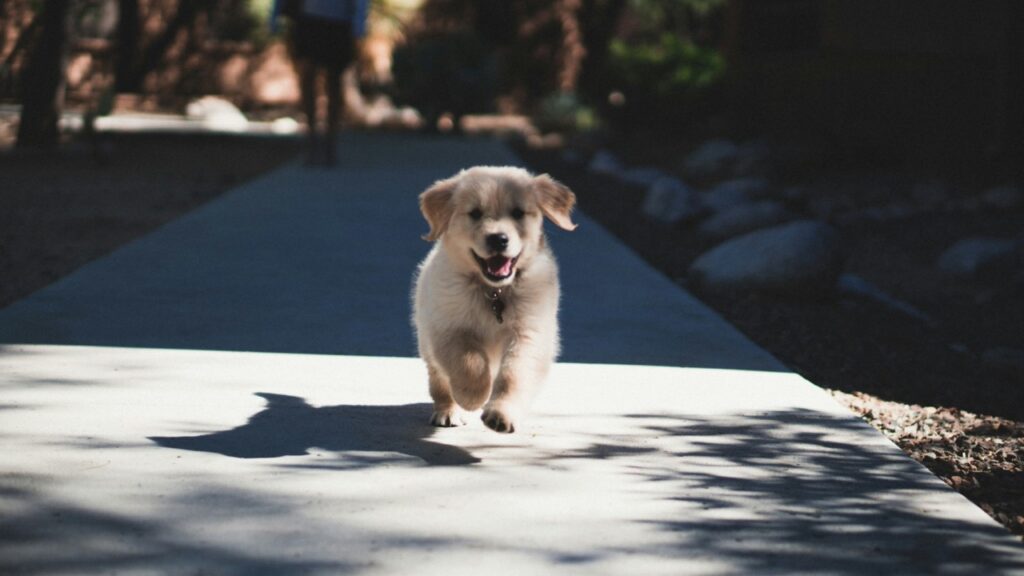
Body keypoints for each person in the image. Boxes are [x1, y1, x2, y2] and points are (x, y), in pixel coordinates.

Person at [272, 0, 369, 166]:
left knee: (334, 83)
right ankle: (311, 139)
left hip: (338, 23)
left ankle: (330, 142)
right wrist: (274, 15)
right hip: (308, 21)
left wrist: (358, 25)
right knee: (307, 79)